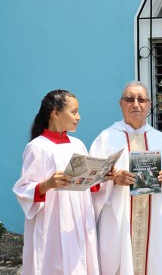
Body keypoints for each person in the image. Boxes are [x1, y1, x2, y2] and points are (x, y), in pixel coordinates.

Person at [90, 81, 162, 275]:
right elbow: (91, 180)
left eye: (141, 99)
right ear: (120, 103)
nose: (136, 104)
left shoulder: (161, 140)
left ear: (149, 105)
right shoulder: (105, 138)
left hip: (154, 218)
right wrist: (112, 178)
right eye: (129, 99)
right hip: (118, 218)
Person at [13, 89, 100, 274]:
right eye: (74, 112)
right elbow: (23, 189)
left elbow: (85, 183)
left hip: (79, 221)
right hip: (53, 223)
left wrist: (101, 176)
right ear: (56, 113)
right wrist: (48, 184)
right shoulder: (38, 147)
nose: (79, 117)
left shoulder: (77, 144)